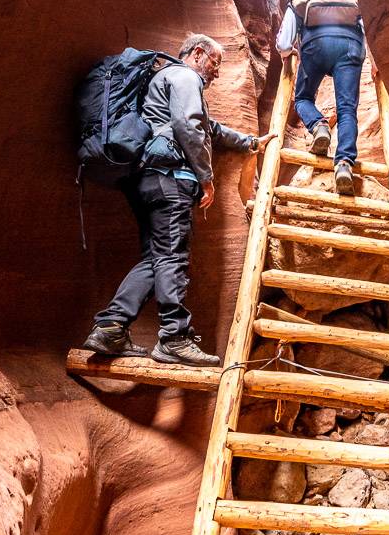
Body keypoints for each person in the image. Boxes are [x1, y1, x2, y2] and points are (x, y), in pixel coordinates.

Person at [81, 33, 274, 366]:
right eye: (215, 62)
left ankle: (111, 328)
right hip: (170, 178)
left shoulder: (164, 80)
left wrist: (250, 142)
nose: (216, 72)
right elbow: (189, 125)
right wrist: (206, 178)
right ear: (198, 54)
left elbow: (207, 127)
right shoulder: (184, 76)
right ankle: (174, 337)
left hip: (147, 178)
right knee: (172, 256)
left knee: (156, 257)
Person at [276, 0, 365, 195]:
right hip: (350, 46)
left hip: (315, 44)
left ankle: (319, 126)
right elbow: (366, 26)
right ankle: (344, 164)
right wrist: (374, 61)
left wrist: (289, 53)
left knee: (303, 98)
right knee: (347, 109)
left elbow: (284, 42)